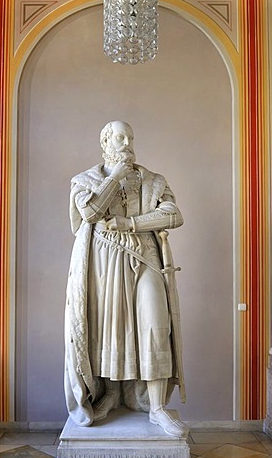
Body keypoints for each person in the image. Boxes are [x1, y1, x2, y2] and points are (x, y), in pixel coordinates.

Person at [64, 120, 187, 437]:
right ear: (105, 141)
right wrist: (115, 177)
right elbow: (89, 213)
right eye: (120, 136)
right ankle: (111, 396)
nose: (127, 142)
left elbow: (174, 214)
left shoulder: (152, 180)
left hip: (145, 256)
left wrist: (129, 223)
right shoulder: (85, 180)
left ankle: (158, 407)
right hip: (104, 265)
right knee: (112, 333)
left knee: (155, 326)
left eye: (131, 137)